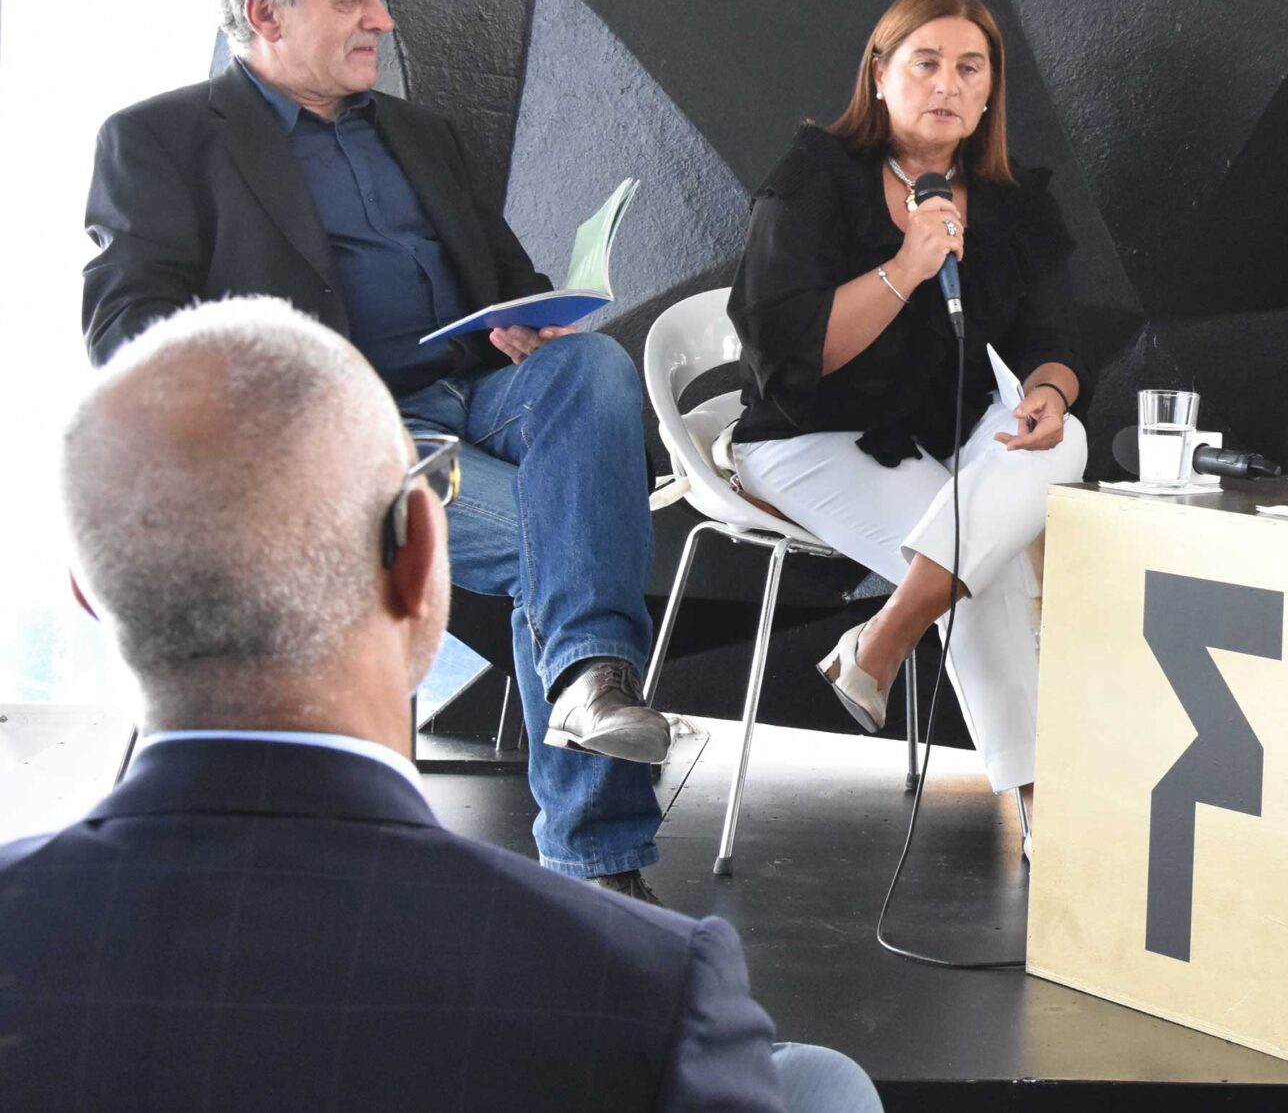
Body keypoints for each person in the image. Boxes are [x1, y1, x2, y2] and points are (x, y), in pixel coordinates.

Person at [0, 299, 878, 1113]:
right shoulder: (648, 989)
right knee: (820, 1084)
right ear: (424, 553)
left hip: (477, 389)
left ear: (89, 592)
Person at [80, 0, 670, 898]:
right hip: (340, 433)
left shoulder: (421, 133)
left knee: (593, 367)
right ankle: (599, 853)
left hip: (480, 396)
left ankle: (585, 695)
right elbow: (124, 329)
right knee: (566, 538)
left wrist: (527, 315)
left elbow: (503, 272)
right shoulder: (160, 139)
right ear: (264, 12)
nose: (383, 20)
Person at [728, 0, 1087, 852]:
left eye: (971, 68)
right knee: (979, 560)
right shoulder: (814, 177)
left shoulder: (1006, 199)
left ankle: (882, 639)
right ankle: (1045, 810)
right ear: (879, 75)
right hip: (808, 435)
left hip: (939, 437)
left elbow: (1054, 341)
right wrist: (906, 266)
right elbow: (789, 353)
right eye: (926, 63)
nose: (948, 84)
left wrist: (1049, 391)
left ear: (991, 92)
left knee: (1065, 440)